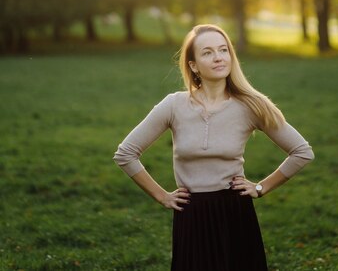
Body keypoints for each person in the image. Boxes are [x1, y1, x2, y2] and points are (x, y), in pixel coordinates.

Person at [113, 24, 314, 271]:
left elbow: (302, 151)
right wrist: (162, 196)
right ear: (193, 65)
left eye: (223, 50)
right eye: (207, 52)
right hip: (191, 214)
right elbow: (126, 154)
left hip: (235, 212)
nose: (218, 57)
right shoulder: (174, 105)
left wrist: (261, 187)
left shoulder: (251, 106)